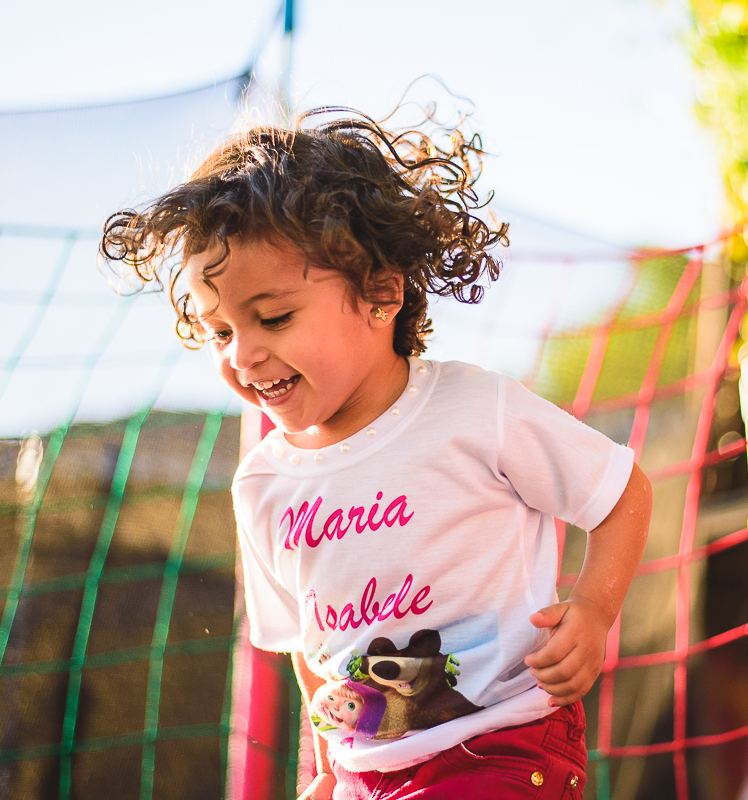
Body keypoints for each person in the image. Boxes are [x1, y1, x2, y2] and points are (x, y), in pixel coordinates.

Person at [100, 108, 652, 799]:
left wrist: (594, 612)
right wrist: (330, 768)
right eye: (219, 332)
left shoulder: (473, 412)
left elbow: (621, 492)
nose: (243, 353)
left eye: (273, 317)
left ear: (381, 293)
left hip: (499, 751)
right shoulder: (263, 487)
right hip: (369, 777)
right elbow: (312, 652)